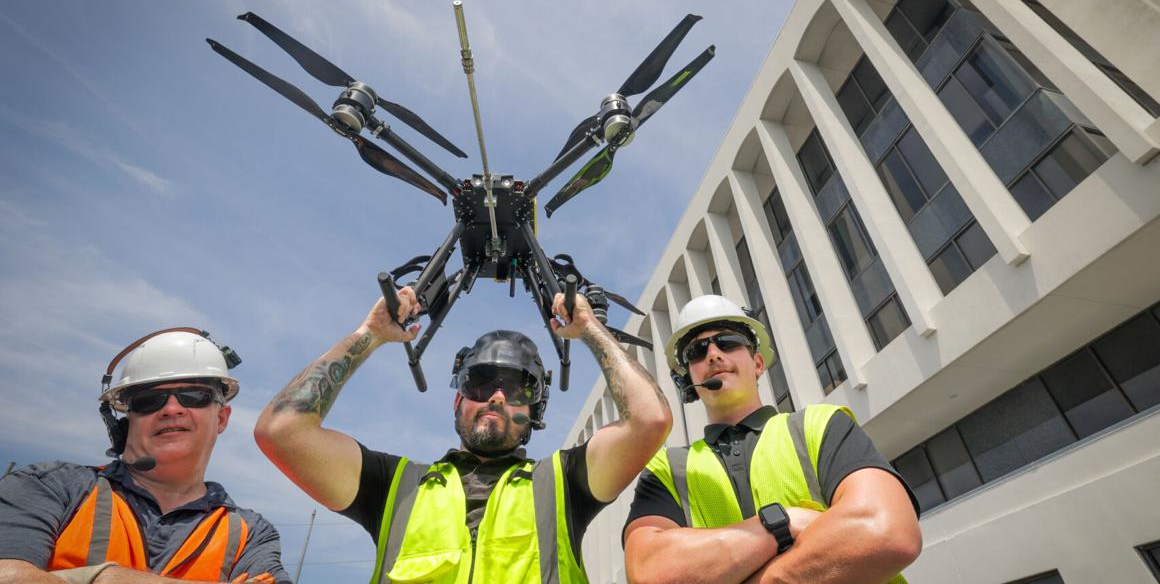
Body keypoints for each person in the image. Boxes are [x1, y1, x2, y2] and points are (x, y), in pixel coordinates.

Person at [255, 286, 672, 583]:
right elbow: (282, 431)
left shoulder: (564, 485)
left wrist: (590, 330)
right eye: (479, 383)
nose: (495, 397)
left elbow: (649, 419)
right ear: (458, 401)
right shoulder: (395, 488)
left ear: (535, 411)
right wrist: (371, 334)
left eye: (515, 388)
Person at [622, 295, 922, 583]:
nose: (713, 354)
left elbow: (887, 532)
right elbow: (650, 572)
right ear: (689, 376)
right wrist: (782, 524)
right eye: (697, 351)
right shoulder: (666, 469)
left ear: (757, 364)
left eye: (728, 342)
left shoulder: (820, 425)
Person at [0, 327, 290, 584]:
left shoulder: (250, 535)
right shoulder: (50, 487)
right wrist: (104, 578)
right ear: (125, 420)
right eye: (150, 400)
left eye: (193, 396)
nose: (171, 409)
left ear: (222, 418)